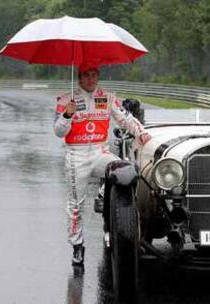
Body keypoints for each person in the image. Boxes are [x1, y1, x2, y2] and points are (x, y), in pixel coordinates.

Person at [54, 64, 151, 266]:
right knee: (76, 206)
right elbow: (58, 132)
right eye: (86, 76)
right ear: (79, 78)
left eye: (94, 75)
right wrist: (67, 115)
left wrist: (141, 132)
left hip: (100, 152)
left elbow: (125, 119)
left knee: (126, 169)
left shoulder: (107, 98)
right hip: (76, 155)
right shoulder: (65, 100)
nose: (91, 79)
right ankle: (78, 246)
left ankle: (106, 194)